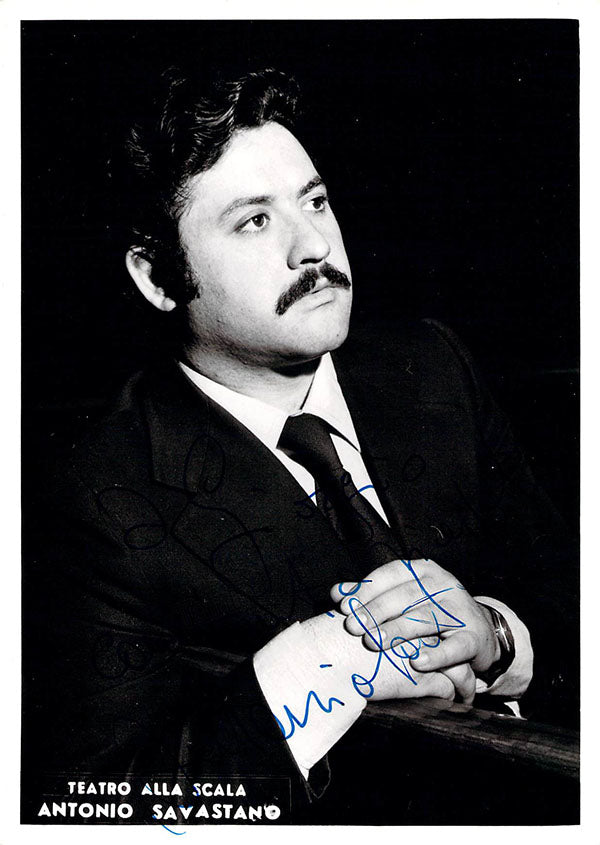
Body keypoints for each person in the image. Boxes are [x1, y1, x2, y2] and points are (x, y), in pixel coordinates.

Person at [22, 66, 576, 823]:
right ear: (157, 279)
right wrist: (325, 667)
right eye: (254, 221)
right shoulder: (92, 496)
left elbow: (570, 597)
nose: (314, 245)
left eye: (315, 201)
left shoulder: (428, 368)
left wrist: (497, 635)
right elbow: (86, 809)